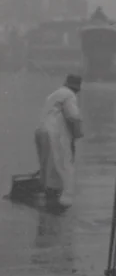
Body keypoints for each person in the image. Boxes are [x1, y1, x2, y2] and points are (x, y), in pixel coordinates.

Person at [34, 75, 83, 209]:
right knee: (60, 168)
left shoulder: (54, 94)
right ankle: (55, 206)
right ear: (77, 87)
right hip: (54, 133)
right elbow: (73, 117)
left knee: (47, 168)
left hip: (41, 131)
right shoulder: (70, 95)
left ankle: (46, 201)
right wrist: (77, 135)